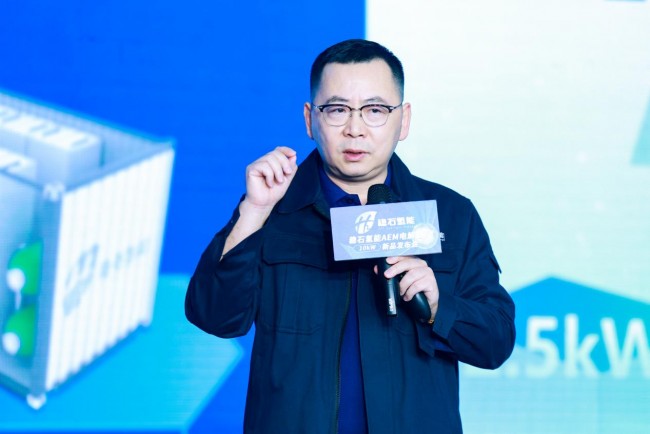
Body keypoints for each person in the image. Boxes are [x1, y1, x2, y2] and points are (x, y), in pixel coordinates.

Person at [185, 39, 515, 434]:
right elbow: (214, 317)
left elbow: (496, 342)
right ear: (310, 119)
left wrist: (439, 305)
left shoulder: (451, 214)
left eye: (375, 110)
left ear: (403, 120)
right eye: (337, 110)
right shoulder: (271, 208)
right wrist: (253, 211)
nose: (355, 129)